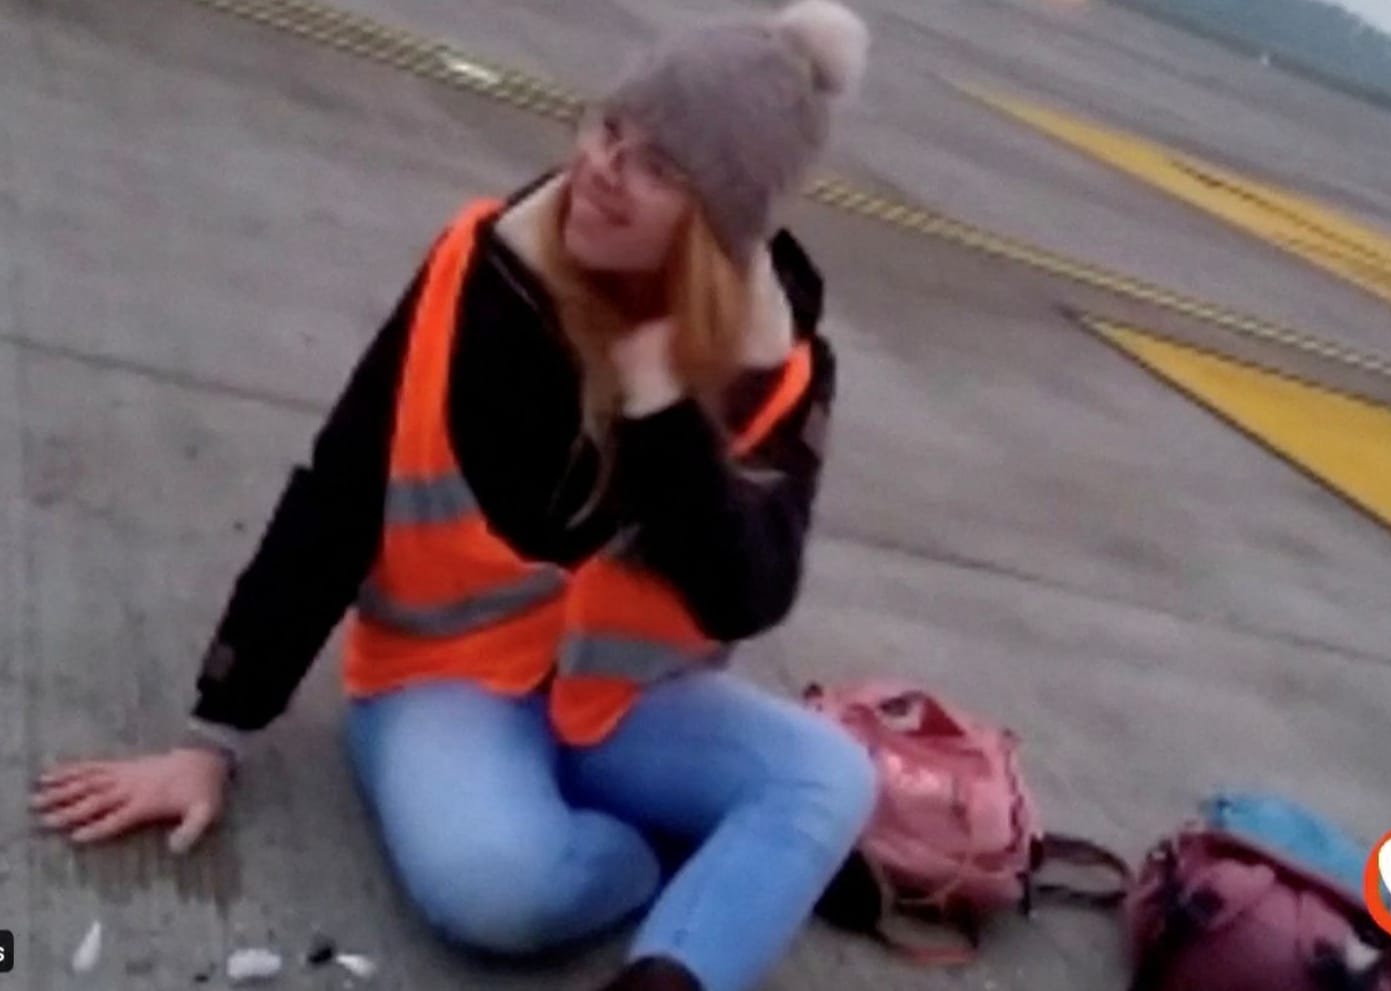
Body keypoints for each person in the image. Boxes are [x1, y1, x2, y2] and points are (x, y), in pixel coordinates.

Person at [30, 3, 876, 990]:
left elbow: (747, 595)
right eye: (611, 127)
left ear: (718, 227)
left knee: (829, 776)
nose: (604, 167)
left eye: (659, 167)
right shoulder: (481, 272)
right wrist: (216, 732)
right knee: (496, 886)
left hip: (630, 701)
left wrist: (663, 417)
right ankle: (667, 857)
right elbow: (338, 491)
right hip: (446, 679)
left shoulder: (777, 367)